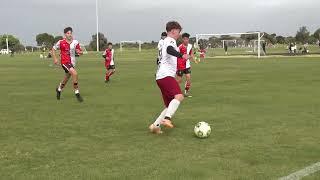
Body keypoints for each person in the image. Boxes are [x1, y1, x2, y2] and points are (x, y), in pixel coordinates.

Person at [149, 21, 189, 134]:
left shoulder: (163, 42)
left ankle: (155, 126)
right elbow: (169, 50)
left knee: (170, 104)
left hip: (161, 76)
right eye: (178, 31)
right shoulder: (170, 40)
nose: (179, 34)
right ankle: (167, 119)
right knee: (179, 96)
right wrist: (182, 55)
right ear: (173, 31)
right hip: (165, 75)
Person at [52, 27, 84, 102]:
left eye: (70, 33)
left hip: (72, 63)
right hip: (65, 62)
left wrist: (80, 52)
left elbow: (79, 50)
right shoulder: (61, 42)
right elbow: (53, 49)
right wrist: (55, 59)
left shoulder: (75, 42)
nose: (69, 35)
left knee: (66, 78)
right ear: (65, 34)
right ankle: (77, 93)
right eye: (68, 33)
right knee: (75, 74)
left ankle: (59, 89)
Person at [176, 33, 194, 97]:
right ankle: (174, 91)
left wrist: (193, 58)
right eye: (185, 39)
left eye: (187, 39)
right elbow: (176, 55)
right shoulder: (179, 47)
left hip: (187, 65)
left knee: (188, 78)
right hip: (180, 65)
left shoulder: (190, 46)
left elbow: (191, 54)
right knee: (179, 80)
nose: (186, 40)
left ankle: (186, 92)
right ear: (182, 39)